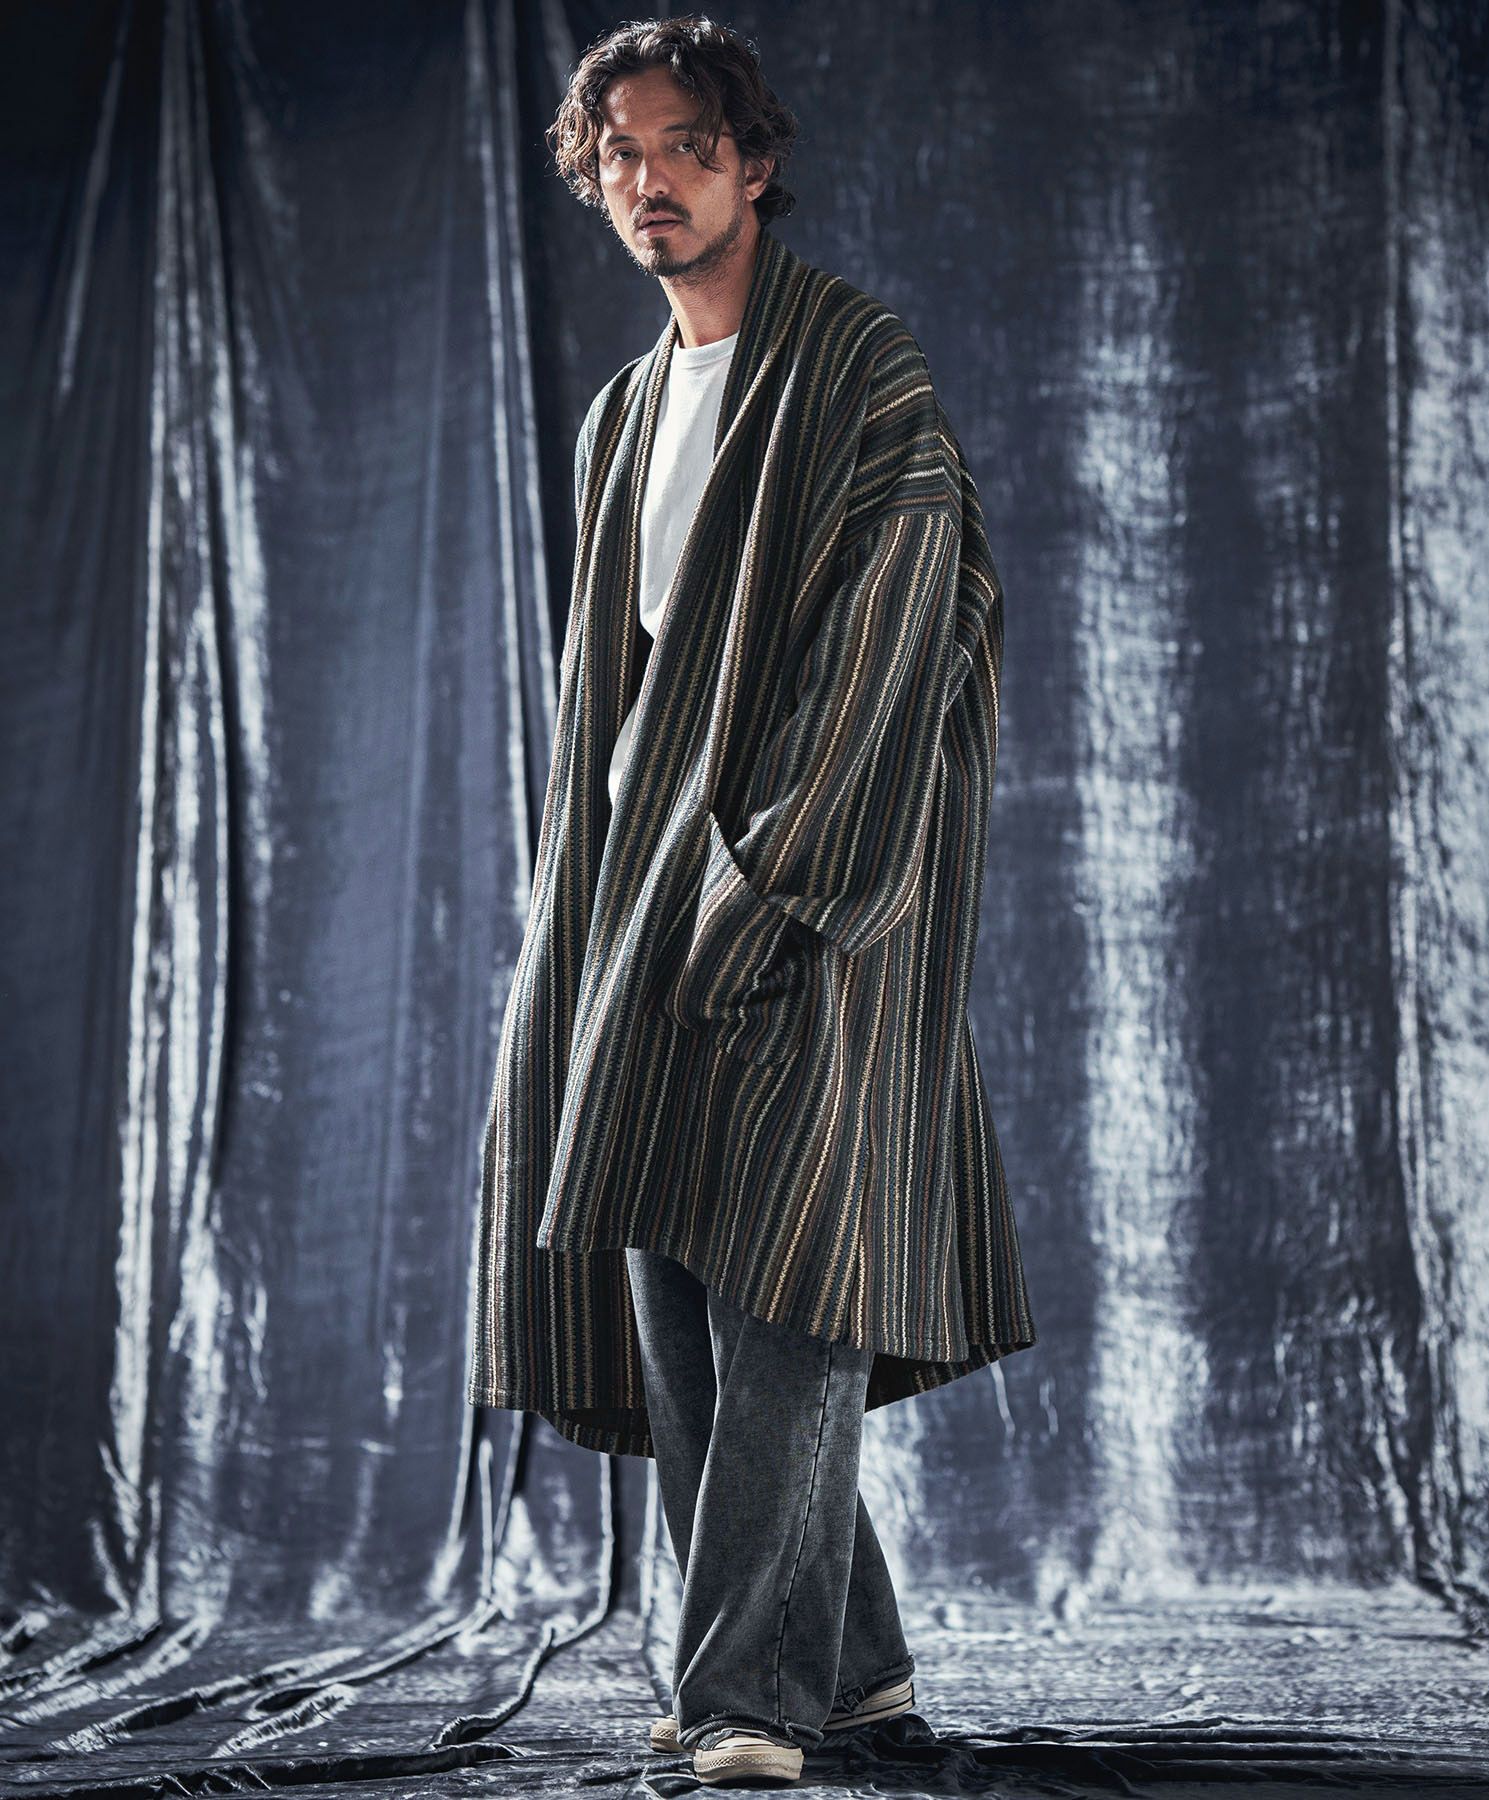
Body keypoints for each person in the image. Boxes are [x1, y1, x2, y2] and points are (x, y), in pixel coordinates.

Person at [466, 14, 1037, 1787]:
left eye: (687, 148)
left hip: (809, 903)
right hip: (636, 911)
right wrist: (591, 927)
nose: (652, 181)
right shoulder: (626, 415)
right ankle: (854, 1672)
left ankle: (744, 1701)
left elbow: (899, 639)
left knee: (790, 1290)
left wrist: (768, 881)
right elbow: (614, 703)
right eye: (622, 155)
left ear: (754, 163)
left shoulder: (857, 367)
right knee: (677, 1304)